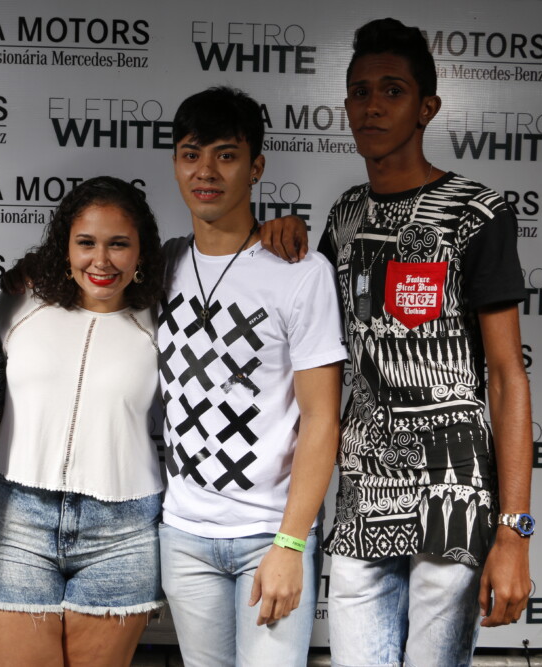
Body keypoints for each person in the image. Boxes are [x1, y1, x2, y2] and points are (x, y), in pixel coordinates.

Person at [316, 18, 534, 667]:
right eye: (360, 92)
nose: (372, 106)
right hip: (362, 493)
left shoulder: (476, 212)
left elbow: (507, 376)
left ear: (427, 107)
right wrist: (280, 238)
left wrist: (515, 532)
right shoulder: (343, 217)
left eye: (392, 90)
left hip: (452, 491)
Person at [157, 86, 347, 667]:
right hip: (183, 536)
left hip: (270, 534)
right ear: (175, 164)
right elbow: (82, 263)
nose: (206, 171)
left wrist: (290, 542)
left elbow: (321, 419)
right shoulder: (160, 264)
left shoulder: (301, 272)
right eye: (191, 154)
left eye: (226, 155)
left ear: (256, 166)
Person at [0, 176, 167, 667]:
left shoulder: (162, 320)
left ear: (141, 252)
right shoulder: (20, 305)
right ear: (64, 248)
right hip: (17, 520)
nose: (101, 260)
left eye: (118, 244)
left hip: (123, 530)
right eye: (86, 242)